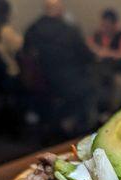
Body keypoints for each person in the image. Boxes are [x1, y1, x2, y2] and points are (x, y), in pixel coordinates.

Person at [23, 0, 95, 130]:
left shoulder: (32, 29)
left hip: (41, 82)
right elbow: (87, 57)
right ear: (61, 11)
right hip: (68, 81)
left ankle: (58, 122)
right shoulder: (69, 31)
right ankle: (78, 128)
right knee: (91, 86)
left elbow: (25, 53)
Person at [87, 8, 121, 112]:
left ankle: (114, 111)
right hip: (99, 70)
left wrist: (106, 53)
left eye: (108, 26)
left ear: (115, 24)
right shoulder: (96, 35)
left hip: (118, 70)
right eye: (103, 25)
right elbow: (88, 47)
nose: (105, 28)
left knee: (119, 83)